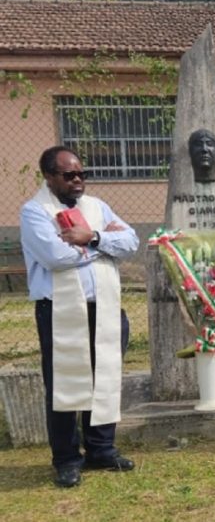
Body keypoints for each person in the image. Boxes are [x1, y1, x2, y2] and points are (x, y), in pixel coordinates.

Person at [20, 146, 139, 488]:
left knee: (104, 376)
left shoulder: (96, 207)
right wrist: (104, 248)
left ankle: (102, 449)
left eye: (81, 174)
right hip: (59, 310)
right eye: (69, 175)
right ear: (48, 176)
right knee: (63, 385)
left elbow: (130, 241)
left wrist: (91, 238)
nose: (78, 180)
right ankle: (67, 459)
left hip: (104, 306)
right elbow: (56, 257)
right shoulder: (34, 212)